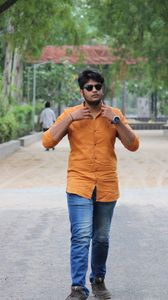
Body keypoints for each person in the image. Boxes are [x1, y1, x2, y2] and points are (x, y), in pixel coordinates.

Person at [42, 69, 139, 300]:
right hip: (79, 184)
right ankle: (77, 287)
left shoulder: (114, 115)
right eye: (89, 87)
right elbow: (48, 140)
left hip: (106, 184)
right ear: (82, 91)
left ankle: (98, 280)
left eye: (98, 86)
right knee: (81, 236)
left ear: (102, 89)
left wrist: (115, 121)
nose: (94, 90)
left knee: (102, 237)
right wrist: (69, 119)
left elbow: (133, 145)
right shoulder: (71, 115)